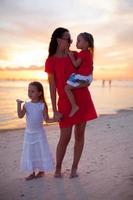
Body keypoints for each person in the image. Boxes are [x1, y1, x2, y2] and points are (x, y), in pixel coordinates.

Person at [45, 27, 97, 178]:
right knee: (65, 137)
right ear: (58, 40)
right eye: (68, 39)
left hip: (82, 100)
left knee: (80, 135)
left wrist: (85, 84)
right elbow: (52, 86)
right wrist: (54, 110)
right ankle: (58, 168)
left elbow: (88, 76)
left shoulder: (75, 55)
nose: (71, 42)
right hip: (65, 103)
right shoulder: (51, 61)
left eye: (72, 40)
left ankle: (74, 169)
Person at [16, 81, 54, 180]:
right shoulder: (27, 105)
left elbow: (47, 119)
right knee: (30, 152)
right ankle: (32, 172)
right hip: (29, 133)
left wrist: (57, 118)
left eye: (32, 91)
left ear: (39, 93)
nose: (30, 93)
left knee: (40, 151)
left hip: (39, 133)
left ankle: (41, 171)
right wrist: (19, 105)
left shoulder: (42, 105)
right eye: (29, 91)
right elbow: (20, 116)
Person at [65, 32, 94, 117]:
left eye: (79, 41)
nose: (76, 43)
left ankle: (74, 106)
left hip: (83, 76)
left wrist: (71, 56)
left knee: (67, 88)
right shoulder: (89, 53)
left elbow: (76, 64)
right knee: (71, 87)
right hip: (88, 77)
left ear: (86, 43)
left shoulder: (82, 53)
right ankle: (75, 105)